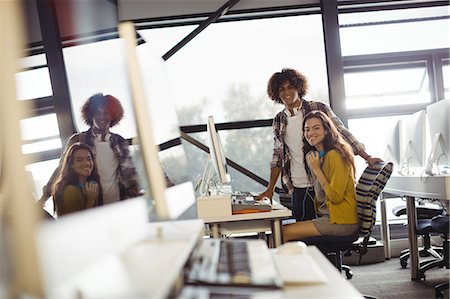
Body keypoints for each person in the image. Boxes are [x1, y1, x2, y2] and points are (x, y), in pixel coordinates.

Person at [256, 68, 382, 222]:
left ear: (299, 87)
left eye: (290, 87)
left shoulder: (318, 108)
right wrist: (269, 189)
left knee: (324, 230)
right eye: (281, 89)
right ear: (276, 93)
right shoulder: (279, 120)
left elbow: (341, 132)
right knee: (303, 234)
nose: (286, 92)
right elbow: (277, 156)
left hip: (323, 182)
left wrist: (366, 156)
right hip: (297, 186)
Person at [40, 93, 142, 206]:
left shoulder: (120, 141)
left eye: (106, 112)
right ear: (90, 115)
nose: (102, 116)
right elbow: (61, 170)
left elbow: (130, 175)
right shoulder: (78, 139)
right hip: (91, 206)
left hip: (120, 204)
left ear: (113, 115)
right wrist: (43, 199)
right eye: (98, 112)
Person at [282, 110, 359, 242]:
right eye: (307, 130)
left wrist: (317, 170)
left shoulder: (335, 156)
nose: (310, 133)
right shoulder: (320, 157)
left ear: (327, 130)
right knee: (281, 229)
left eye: (316, 128)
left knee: (283, 233)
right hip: (328, 218)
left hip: (342, 222)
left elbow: (336, 197)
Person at [51, 142, 101, 216]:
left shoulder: (90, 185)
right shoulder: (69, 190)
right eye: (79, 160)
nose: (86, 163)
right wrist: (91, 200)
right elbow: (78, 224)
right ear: (71, 165)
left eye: (89, 159)